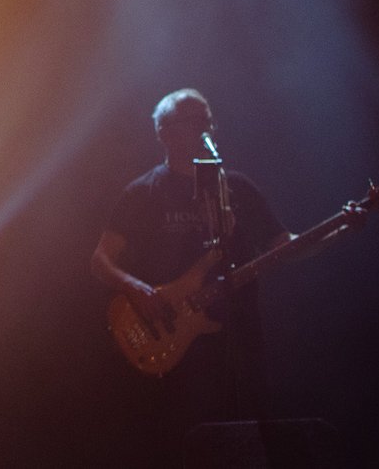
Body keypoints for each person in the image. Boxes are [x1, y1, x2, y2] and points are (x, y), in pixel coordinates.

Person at [91, 88, 292, 464]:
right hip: (176, 339)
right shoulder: (144, 192)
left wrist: (338, 226)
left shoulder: (237, 189)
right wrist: (137, 290)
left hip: (241, 335)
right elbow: (100, 260)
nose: (203, 129)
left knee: (255, 439)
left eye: (207, 121)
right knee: (188, 442)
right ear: (163, 132)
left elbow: (285, 242)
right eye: (191, 121)